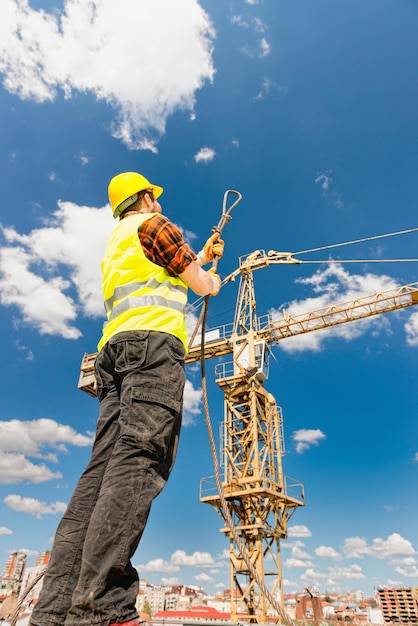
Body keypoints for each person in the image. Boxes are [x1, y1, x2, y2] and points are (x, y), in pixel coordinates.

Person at [30, 172, 224, 626]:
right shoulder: (154, 226)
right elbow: (199, 285)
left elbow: (170, 272)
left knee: (99, 473)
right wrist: (208, 274)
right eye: (154, 197)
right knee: (141, 457)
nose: (158, 203)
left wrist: (201, 258)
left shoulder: (117, 241)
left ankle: (57, 610)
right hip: (153, 352)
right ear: (143, 199)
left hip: (114, 355)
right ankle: (103, 607)